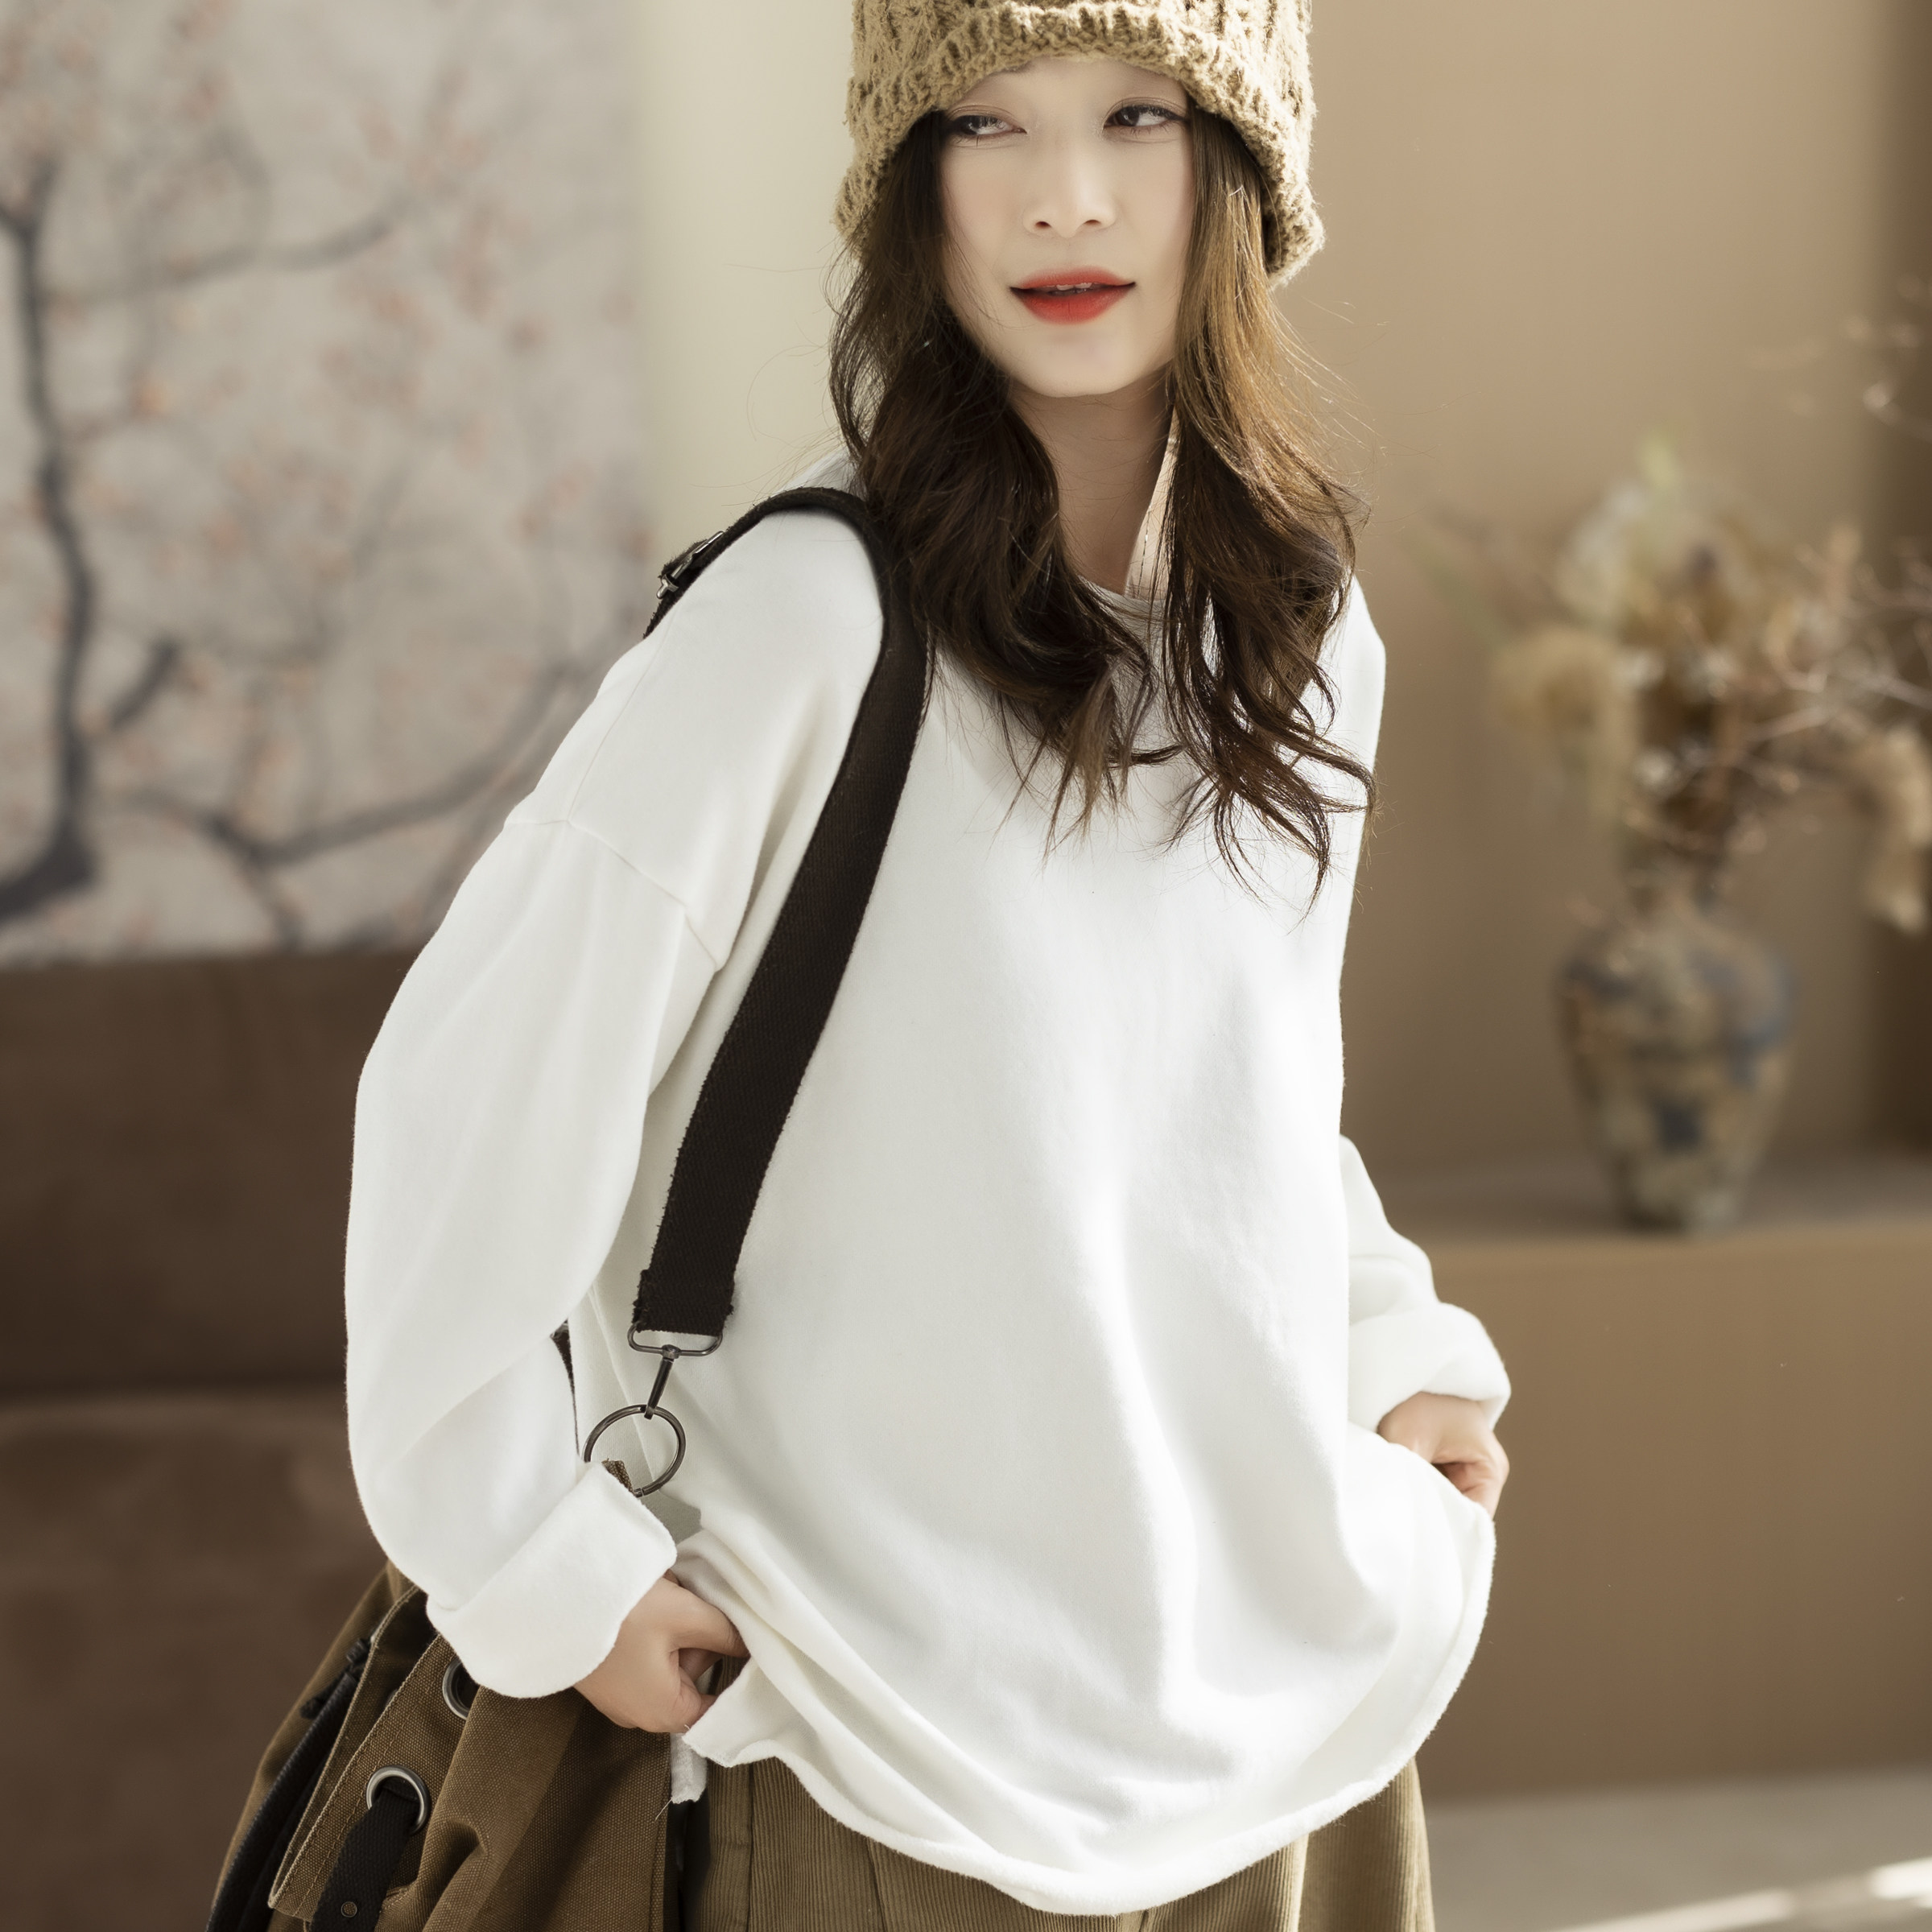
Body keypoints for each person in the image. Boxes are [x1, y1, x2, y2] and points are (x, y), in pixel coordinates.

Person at [345, 3, 1510, 1926]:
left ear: (1243, 167)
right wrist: (541, 1567)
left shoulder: (1299, 633)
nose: (1065, 197)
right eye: (987, 124)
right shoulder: (802, 622)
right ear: (914, 185)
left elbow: (1237, 1107)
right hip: (874, 1738)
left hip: (1279, 1717)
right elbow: (458, 1108)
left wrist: (1396, 1359)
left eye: (1138, 115)